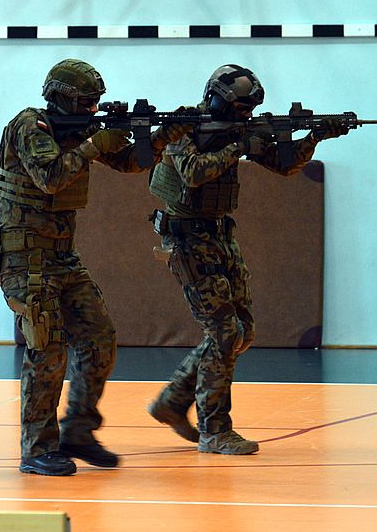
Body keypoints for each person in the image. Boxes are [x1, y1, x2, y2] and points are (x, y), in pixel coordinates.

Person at [0, 59, 188, 475]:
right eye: (85, 102)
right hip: (23, 258)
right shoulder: (29, 126)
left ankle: (78, 429)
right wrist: (97, 143)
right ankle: (37, 448)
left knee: (99, 338)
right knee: (47, 349)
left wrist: (164, 135)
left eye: (96, 102)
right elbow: (50, 176)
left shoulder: (80, 130)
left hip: (61, 256)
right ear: (59, 97)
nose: (93, 109)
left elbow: (131, 163)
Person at [146, 64, 346, 455]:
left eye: (249, 110)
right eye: (239, 108)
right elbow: (193, 172)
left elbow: (285, 165)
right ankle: (214, 430)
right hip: (187, 238)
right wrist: (238, 145)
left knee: (242, 331)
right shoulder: (183, 126)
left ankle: (173, 400)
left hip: (220, 235)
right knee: (224, 332)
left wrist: (314, 137)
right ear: (215, 98)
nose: (245, 116)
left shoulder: (237, 130)